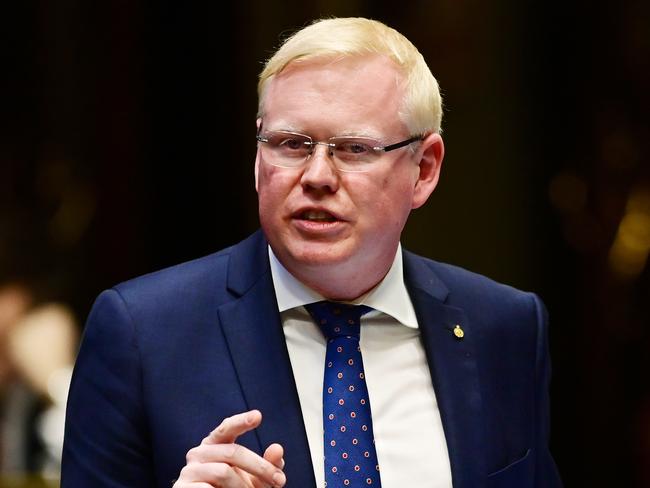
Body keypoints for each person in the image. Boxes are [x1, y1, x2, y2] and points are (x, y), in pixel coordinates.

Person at [61, 17, 562, 488]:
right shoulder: (142, 332)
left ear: (424, 168)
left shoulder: (504, 328)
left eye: (354, 149)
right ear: (259, 158)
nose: (317, 176)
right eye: (291, 144)